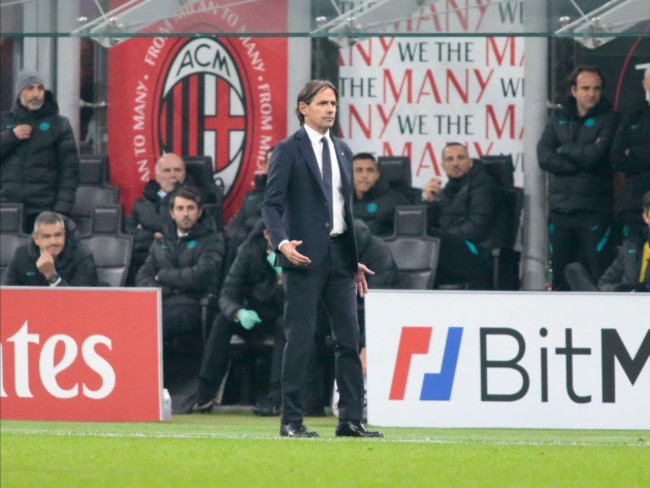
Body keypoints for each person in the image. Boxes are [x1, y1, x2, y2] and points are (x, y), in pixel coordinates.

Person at [262, 79, 382, 438]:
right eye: (323, 103)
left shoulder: (344, 150)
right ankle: (292, 421)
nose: (331, 109)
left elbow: (344, 212)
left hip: (340, 259)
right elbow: (271, 205)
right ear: (303, 107)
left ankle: (349, 419)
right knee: (299, 338)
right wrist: (281, 244)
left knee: (349, 339)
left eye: (333, 103)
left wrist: (351, 256)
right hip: (303, 258)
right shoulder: (288, 150)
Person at [186, 219, 285, 414]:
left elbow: (302, 302)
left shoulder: (301, 253)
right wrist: (238, 312)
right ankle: (204, 395)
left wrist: (284, 277)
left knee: (286, 325)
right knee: (223, 321)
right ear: (266, 234)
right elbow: (228, 294)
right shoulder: (248, 251)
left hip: (285, 315)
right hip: (254, 315)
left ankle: (276, 399)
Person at [537, 65, 619, 290]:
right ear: (574, 90)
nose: (591, 93)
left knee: (598, 274)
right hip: (561, 211)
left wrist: (564, 150)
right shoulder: (558, 116)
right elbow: (543, 156)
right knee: (561, 275)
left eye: (596, 88)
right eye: (585, 88)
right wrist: (579, 157)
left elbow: (597, 156)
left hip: (594, 211)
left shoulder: (610, 118)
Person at [136, 185, 225, 341]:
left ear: (199, 212)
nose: (185, 214)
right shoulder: (162, 240)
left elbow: (199, 276)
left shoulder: (212, 240)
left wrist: (162, 275)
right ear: (172, 212)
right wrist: (167, 291)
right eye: (180, 208)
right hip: (160, 304)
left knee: (156, 323)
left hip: (192, 307)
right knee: (127, 319)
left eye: (190, 208)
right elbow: (143, 277)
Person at [0, 69, 80, 233]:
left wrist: (61, 210)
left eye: (40, 88)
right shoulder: (4, 121)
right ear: (19, 92)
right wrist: (10, 137)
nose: (36, 94)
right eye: (30, 88)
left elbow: (70, 171)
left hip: (44, 208)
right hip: (6, 205)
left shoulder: (59, 124)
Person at [423, 143, 503, 290]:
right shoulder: (446, 190)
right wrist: (430, 202)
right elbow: (427, 225)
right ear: (443, 165)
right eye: (450, 159)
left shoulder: (483, 183)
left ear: (470, 162)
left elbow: (477, 228)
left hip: (477, 253)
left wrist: (442, 238)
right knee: (420, 238)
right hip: (450, 252)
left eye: (460, 158)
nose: (455, 163)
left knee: (430, 238)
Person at [126, 153, 213, 285]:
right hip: (144, 261)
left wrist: (144, 232)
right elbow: (126, 232)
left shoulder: (197, 201)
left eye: (177, 170)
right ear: (157, 177)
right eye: (167, 170)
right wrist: (153, 235)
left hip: (180, 262)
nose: (173, 175)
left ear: (184, 174)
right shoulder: (141, 204)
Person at [3, 211, 98, 287]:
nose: (53, 241)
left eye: (58, 235)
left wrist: (52, 275)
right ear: (36, 239)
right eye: (47, 236)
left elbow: (79, 302)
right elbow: (9, 296)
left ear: (64, 234)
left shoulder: (83, 257)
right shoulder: (21, 256)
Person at [610, 67, 650, 239]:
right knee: (633, 259)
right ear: (645, 84)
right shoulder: (632, 117)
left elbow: (627, 157)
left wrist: (634, 152)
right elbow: (616, 159)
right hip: (635, 205)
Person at [598, 191, 650, 292]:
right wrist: (623, 290)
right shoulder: (631, 245)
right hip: (627, 305)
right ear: (645, 217)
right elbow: (604, 283)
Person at [226, 146, 275, 251]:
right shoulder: (250, 197)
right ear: (264, 167)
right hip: (251, 250)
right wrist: (251, 239)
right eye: (273, 163)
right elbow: (232, 227)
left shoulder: (299, 195)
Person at [353, 152, 409, 237]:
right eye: (359, 170)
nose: (364, 175)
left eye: (369, 170)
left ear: (377, 175)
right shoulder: (338, 199)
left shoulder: (394, 200)